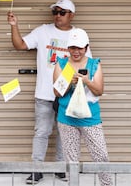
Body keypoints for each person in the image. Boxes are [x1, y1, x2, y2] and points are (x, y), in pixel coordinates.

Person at [7, 0, 91, 184]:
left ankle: (61, 168)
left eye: (62, 12)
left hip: (68, 94)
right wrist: (14, 25)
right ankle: (37, 170)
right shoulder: (43, 31)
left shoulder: (78, 34)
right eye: (55, 12)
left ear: (72, 15)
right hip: (45, 94)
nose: (57, 16)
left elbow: (87, 62)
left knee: (65, 132)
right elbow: (20, 45)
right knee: (42, 132)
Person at [53, 28, 112, 186]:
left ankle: (106, 184)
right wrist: (67, 81)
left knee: (101, 155)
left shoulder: (94, 64)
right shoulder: (62, 64)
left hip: (90, 116)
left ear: (86, 47)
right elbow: (57, 92)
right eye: (72, 47)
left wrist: (86, 81)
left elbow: (99, 90)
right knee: (71, 160)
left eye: (79, 48)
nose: (76, 51)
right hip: (67, 117)